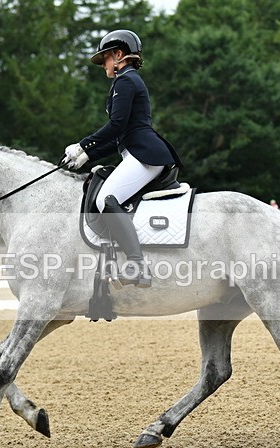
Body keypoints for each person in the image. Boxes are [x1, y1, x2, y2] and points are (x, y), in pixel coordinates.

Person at [62, 29, 182, 288]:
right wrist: (87, 155)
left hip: (145, 155)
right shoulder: (126, 80)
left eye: (105, 58)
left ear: (118, 55)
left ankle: (137, 266)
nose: (102, 64)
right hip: (138, 152)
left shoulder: (126, 81)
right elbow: (119, 137)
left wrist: (83, 145)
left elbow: (116, 125)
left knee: (107, 199)